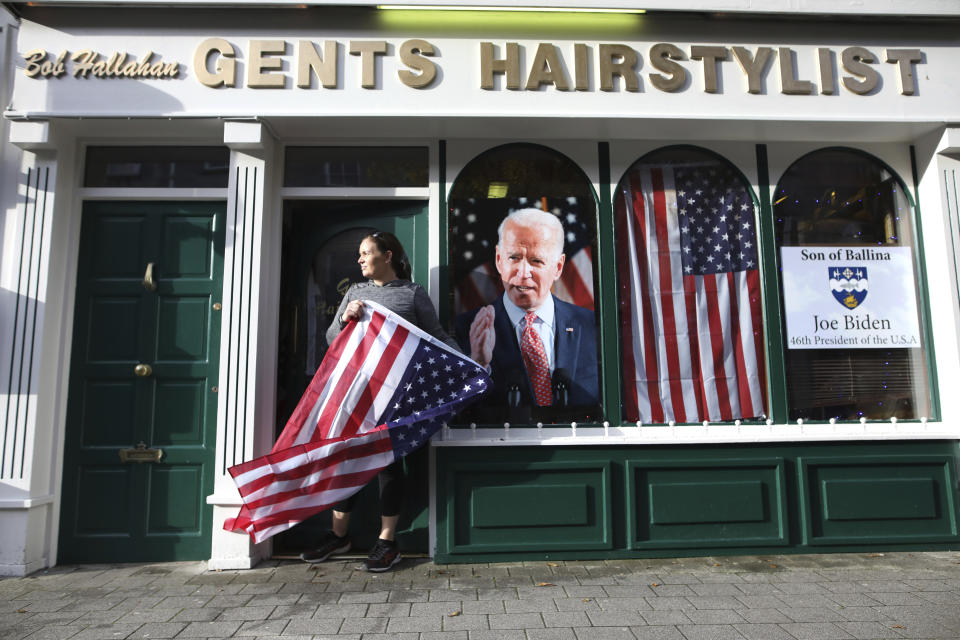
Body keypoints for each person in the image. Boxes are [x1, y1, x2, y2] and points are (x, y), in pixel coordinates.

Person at [300, 230, 459, 572]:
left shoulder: (413, 294)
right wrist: (346, 318)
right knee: (347, 458)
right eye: (358, 253)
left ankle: (387, 541)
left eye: (366, 252)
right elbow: (332, 339)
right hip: (357, 395)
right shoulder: (355, 293)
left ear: (387, 256)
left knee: (387, 465)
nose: (359, 259)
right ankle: (338, 536)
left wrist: (468, 364)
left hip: (398, 395)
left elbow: (437, 336)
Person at [455, 208, 599, 419]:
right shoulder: (466, 330)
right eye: (514, 258)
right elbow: (457, 412)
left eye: (536, 261)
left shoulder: (591, 327)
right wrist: (479, 364)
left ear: (558, 267)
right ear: (498, 259)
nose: (523, 273)